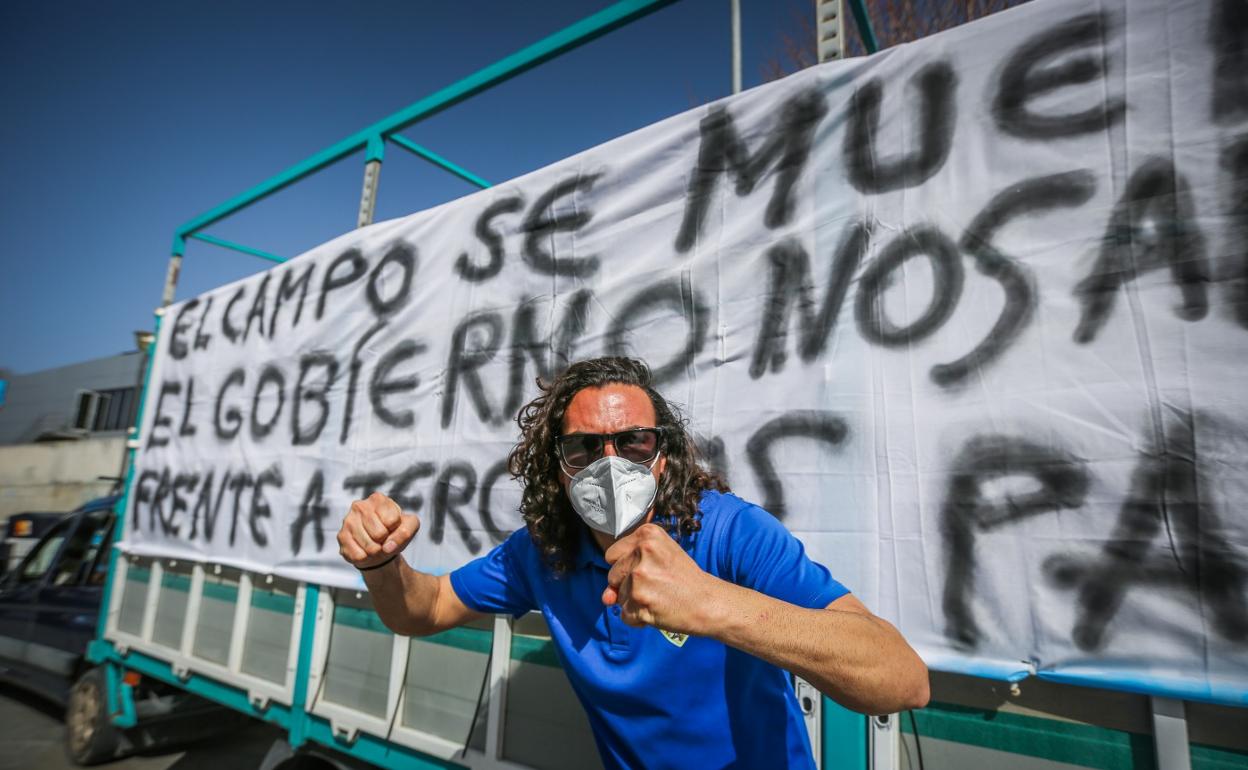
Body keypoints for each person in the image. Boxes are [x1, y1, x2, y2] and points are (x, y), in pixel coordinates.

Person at [338, 356, 928, 769]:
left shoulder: (728, 530)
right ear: (558, 465)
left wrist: (713, 604)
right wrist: (383, 563)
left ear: (663, 458)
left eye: (634, 442)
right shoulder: (540, 552)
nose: (610, 461)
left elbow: (901, 678)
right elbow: (426, 608)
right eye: (584, 446)